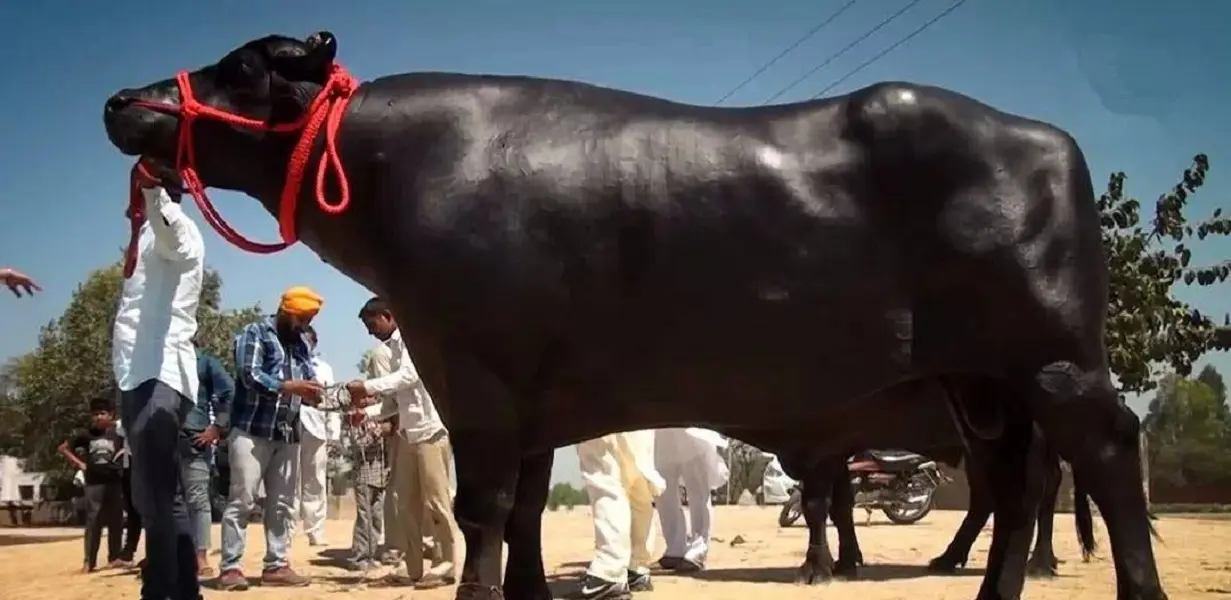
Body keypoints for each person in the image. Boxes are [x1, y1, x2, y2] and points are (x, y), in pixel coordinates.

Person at [112, 184, 205, 600]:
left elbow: (173, 237)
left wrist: (153, 189)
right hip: (137, 371)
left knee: (158, 497)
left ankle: (161, 591)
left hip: (160, 371)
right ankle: (183, 590)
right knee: (157, 494)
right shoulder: (148, 234)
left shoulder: (175, 227)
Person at [217, 287, 325, 591]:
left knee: (282, 503)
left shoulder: (302, 342)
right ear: (287, 312)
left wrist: (313, 394)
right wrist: (290, 386)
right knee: (243, 499)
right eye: (302, 318)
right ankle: (230, 568)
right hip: (251, 431)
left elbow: (304, 378)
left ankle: (276, 565)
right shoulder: (254, 333)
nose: (305, 325)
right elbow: (249, 375)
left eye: (309, 320)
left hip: (287, 431)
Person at [345, 296, 457, 589]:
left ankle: (445, 564)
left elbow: (410, 376)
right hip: (408, 433)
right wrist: (365, 413)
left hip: (431, 430)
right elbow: (394, 402)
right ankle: (413, 566)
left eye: (373, 324)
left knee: (437, 502)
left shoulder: (413, 337)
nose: (371, 331)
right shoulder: (389, 350)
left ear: (387, 316)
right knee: (403, 502)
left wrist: (366, 386)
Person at [575, 430, 665, 600]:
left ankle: (609, 571)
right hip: (645, 412)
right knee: (639, 482)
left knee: (602, 472)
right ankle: (637, 567)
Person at [182, 340, 234, 577]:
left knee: (197, 499)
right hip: (161, 436)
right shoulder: (158, 361)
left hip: (194, 436)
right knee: (162, 500)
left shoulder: (205, 362)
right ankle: (162, 555)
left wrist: (218, 427)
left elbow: (230, 392)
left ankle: (199, 556)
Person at [59, 397, 128, 572]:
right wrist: (79, 464)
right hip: (94, 482)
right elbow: (63, 448)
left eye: (102, 414)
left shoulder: (118, 434)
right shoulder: (86, 434)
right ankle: (89, 561)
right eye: (95, 414)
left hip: (115, 482)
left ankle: (114, 557)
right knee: (93, 521)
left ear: (110, 415)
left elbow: (128, 448)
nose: (98, 417)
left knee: (116, 521)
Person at [653, 428, 729, 572]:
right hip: (659, 426)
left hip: (689, 423)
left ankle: (699, 549)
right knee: (662, 488)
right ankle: (675, 548)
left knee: (697, 487)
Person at [292, 325, 340, 546]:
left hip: (316, 426)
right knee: (288, 480)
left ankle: (315, 531)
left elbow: (332, 402)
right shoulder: (286, 364)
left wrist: (334, 435)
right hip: (288, 425)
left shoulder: (324, 369)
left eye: (307, 340)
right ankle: (286, 532)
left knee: (315, 480)